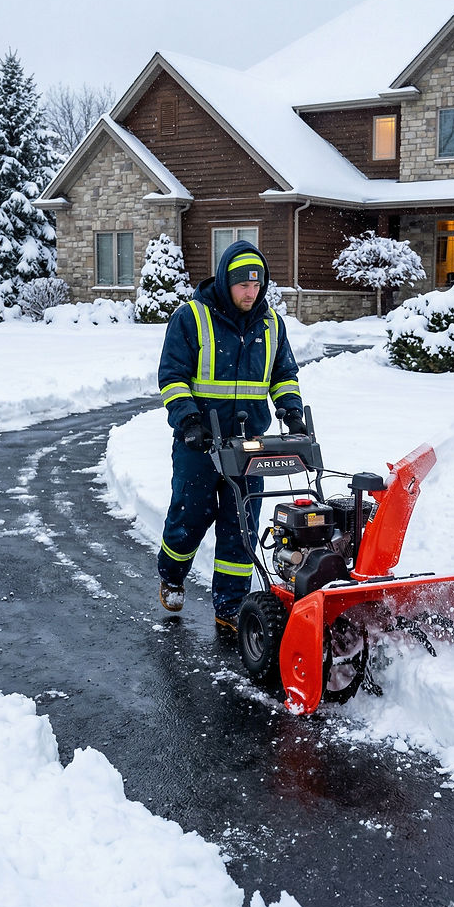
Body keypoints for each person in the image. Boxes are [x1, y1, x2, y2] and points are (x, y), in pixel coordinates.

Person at [157, 240, 306, 631]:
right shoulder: (191, 318)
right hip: (200, 445)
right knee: (190, 518)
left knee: (242, 527)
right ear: (226, 281)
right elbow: (172, 376)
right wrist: (189, 421)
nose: (250, 293)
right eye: (243, 285)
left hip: (248, 445)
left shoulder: (271, 324)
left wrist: (290, 409)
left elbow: (283, 374)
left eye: (257, 286)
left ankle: (230, 605)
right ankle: (172, 575)